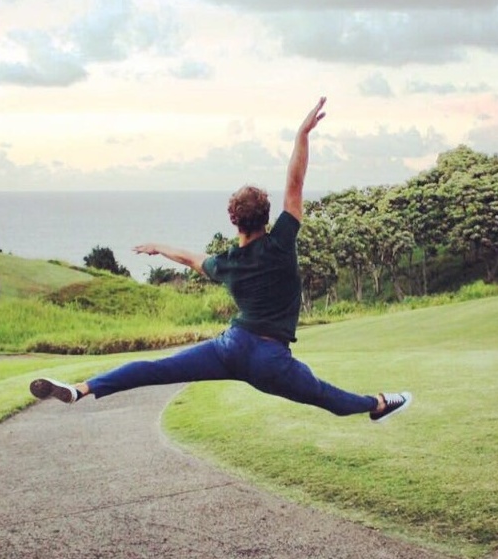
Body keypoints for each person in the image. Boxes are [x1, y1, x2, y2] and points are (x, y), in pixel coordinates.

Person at [30, 97, 411, 423]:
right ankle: (378, 403)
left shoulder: (226, 263)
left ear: (234, 220)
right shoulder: (281, 241)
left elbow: (192, 259)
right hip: (269, 359)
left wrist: (160, 247)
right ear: (265, 218)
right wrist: (301, 136)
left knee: (154, 370)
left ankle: (82, 389)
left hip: (230, 347)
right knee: (328, 397)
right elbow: (294, 185)